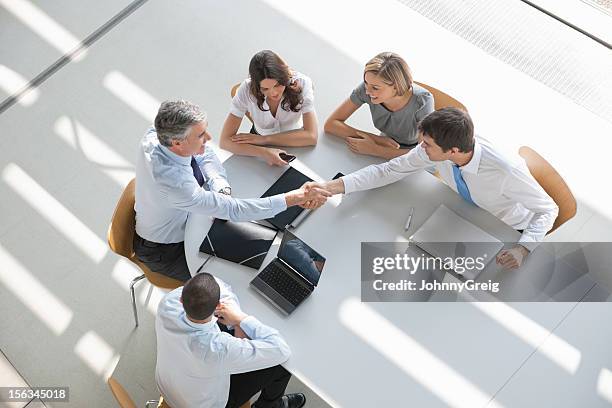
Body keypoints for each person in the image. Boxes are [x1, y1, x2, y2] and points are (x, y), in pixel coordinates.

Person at [311, 108, 559, 269]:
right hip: (461, 212)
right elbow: (390, 169)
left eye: (427, 144)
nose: (421, 148)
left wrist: (523, 249)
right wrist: (332, 187)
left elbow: (548, 209)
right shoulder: (437, 150)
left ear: (453, 151)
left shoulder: (506, 171)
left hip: (503, 227)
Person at [134, 100, 330, 281]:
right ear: (177, 143)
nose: (209, 138)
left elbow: (204, 154)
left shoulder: (158, 134)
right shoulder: (175, 184)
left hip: (182, 215)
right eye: (201, 135)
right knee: (230, 282)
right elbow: (234, 210)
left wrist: (220, 187)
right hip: (166, 249)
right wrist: (293, 198)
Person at [156, 272, 306, 408]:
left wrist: (235, 323)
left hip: (168, 389)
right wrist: (240, 319)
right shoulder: (218, 349)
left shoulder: (168, 303)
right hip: (206, 404)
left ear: (181, 298)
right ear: (218, 305)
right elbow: (281, 350)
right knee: (282, 367)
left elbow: (216, 281)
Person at [324, 52, 434, 159]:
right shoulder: (366, 89)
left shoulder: (422, 102)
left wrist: (376, 150)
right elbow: (331, 125)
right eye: (366, 82)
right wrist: (376, 140)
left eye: (375, 88)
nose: (367, 91)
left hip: (415, 156)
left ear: (396, 86)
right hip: (384, 145)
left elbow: (424, 153)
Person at [220, 50, 318, 166]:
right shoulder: (246, 89)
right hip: (259, 143)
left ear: (284, 77)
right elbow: (224, 141)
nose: (274, 93)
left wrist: (265, 139)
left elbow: (311, 136)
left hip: (296, 139)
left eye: (277, 85)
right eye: (265, 89)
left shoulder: (302, 82)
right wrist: (264, 152)